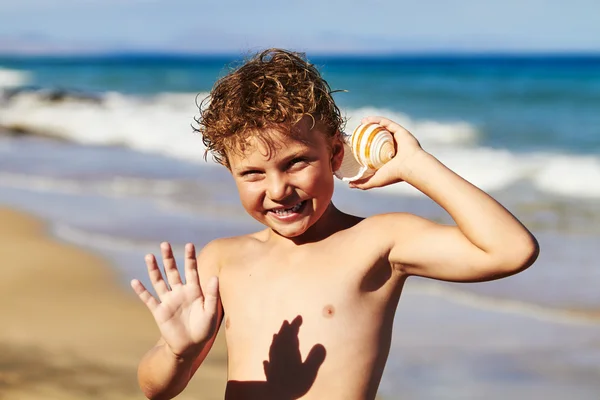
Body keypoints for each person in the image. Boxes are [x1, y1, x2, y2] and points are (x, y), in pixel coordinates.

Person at [130, 49, 539, 400]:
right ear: (230, 172)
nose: (277, 189)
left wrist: (416, 166)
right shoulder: (224, 259)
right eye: (253, 173)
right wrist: (179, 353)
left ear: (336, 152)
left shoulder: (378, 241)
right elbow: (157, 389)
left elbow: (510, 250)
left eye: (296, 162)